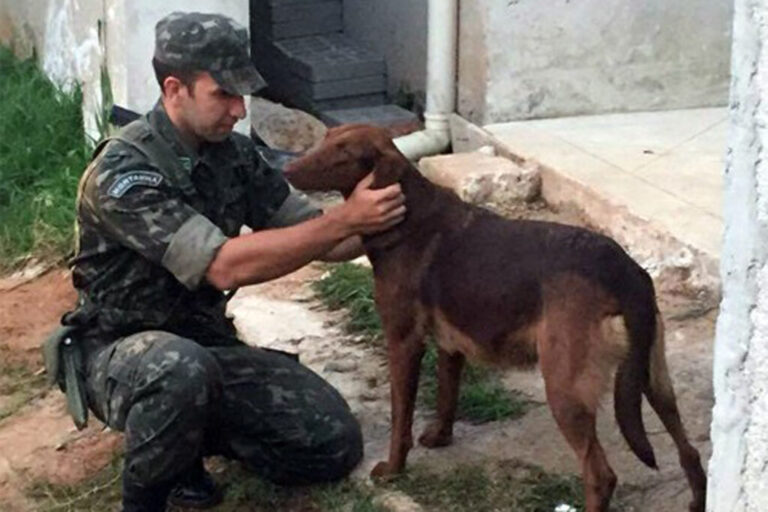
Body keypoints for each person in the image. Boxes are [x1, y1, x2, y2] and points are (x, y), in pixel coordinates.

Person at [61, 11, 406, 512]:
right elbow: (222, 265)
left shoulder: (234, 156)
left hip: (206, 347)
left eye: (242, 94)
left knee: (330, 441)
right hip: (120, 351)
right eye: (223, 94)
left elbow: (319, 239)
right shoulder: (123, 172)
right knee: (178, 371)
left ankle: (189, 436)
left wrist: (384, 216)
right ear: (175, 89)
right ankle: (151, 494)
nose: (240, 110)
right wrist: (344, 220)